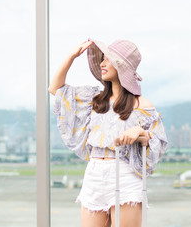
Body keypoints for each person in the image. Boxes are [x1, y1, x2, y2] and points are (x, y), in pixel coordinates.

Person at [48, 38, 168, 227]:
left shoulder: (142, 105)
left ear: (122, 67)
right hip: (94, 173)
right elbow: (55, 89)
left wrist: (139, 132)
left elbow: (157, 144)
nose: (102, 63)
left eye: (108, 60)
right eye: (102, 59)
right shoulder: (94, 100)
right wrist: (71, 57)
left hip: (125, 174)